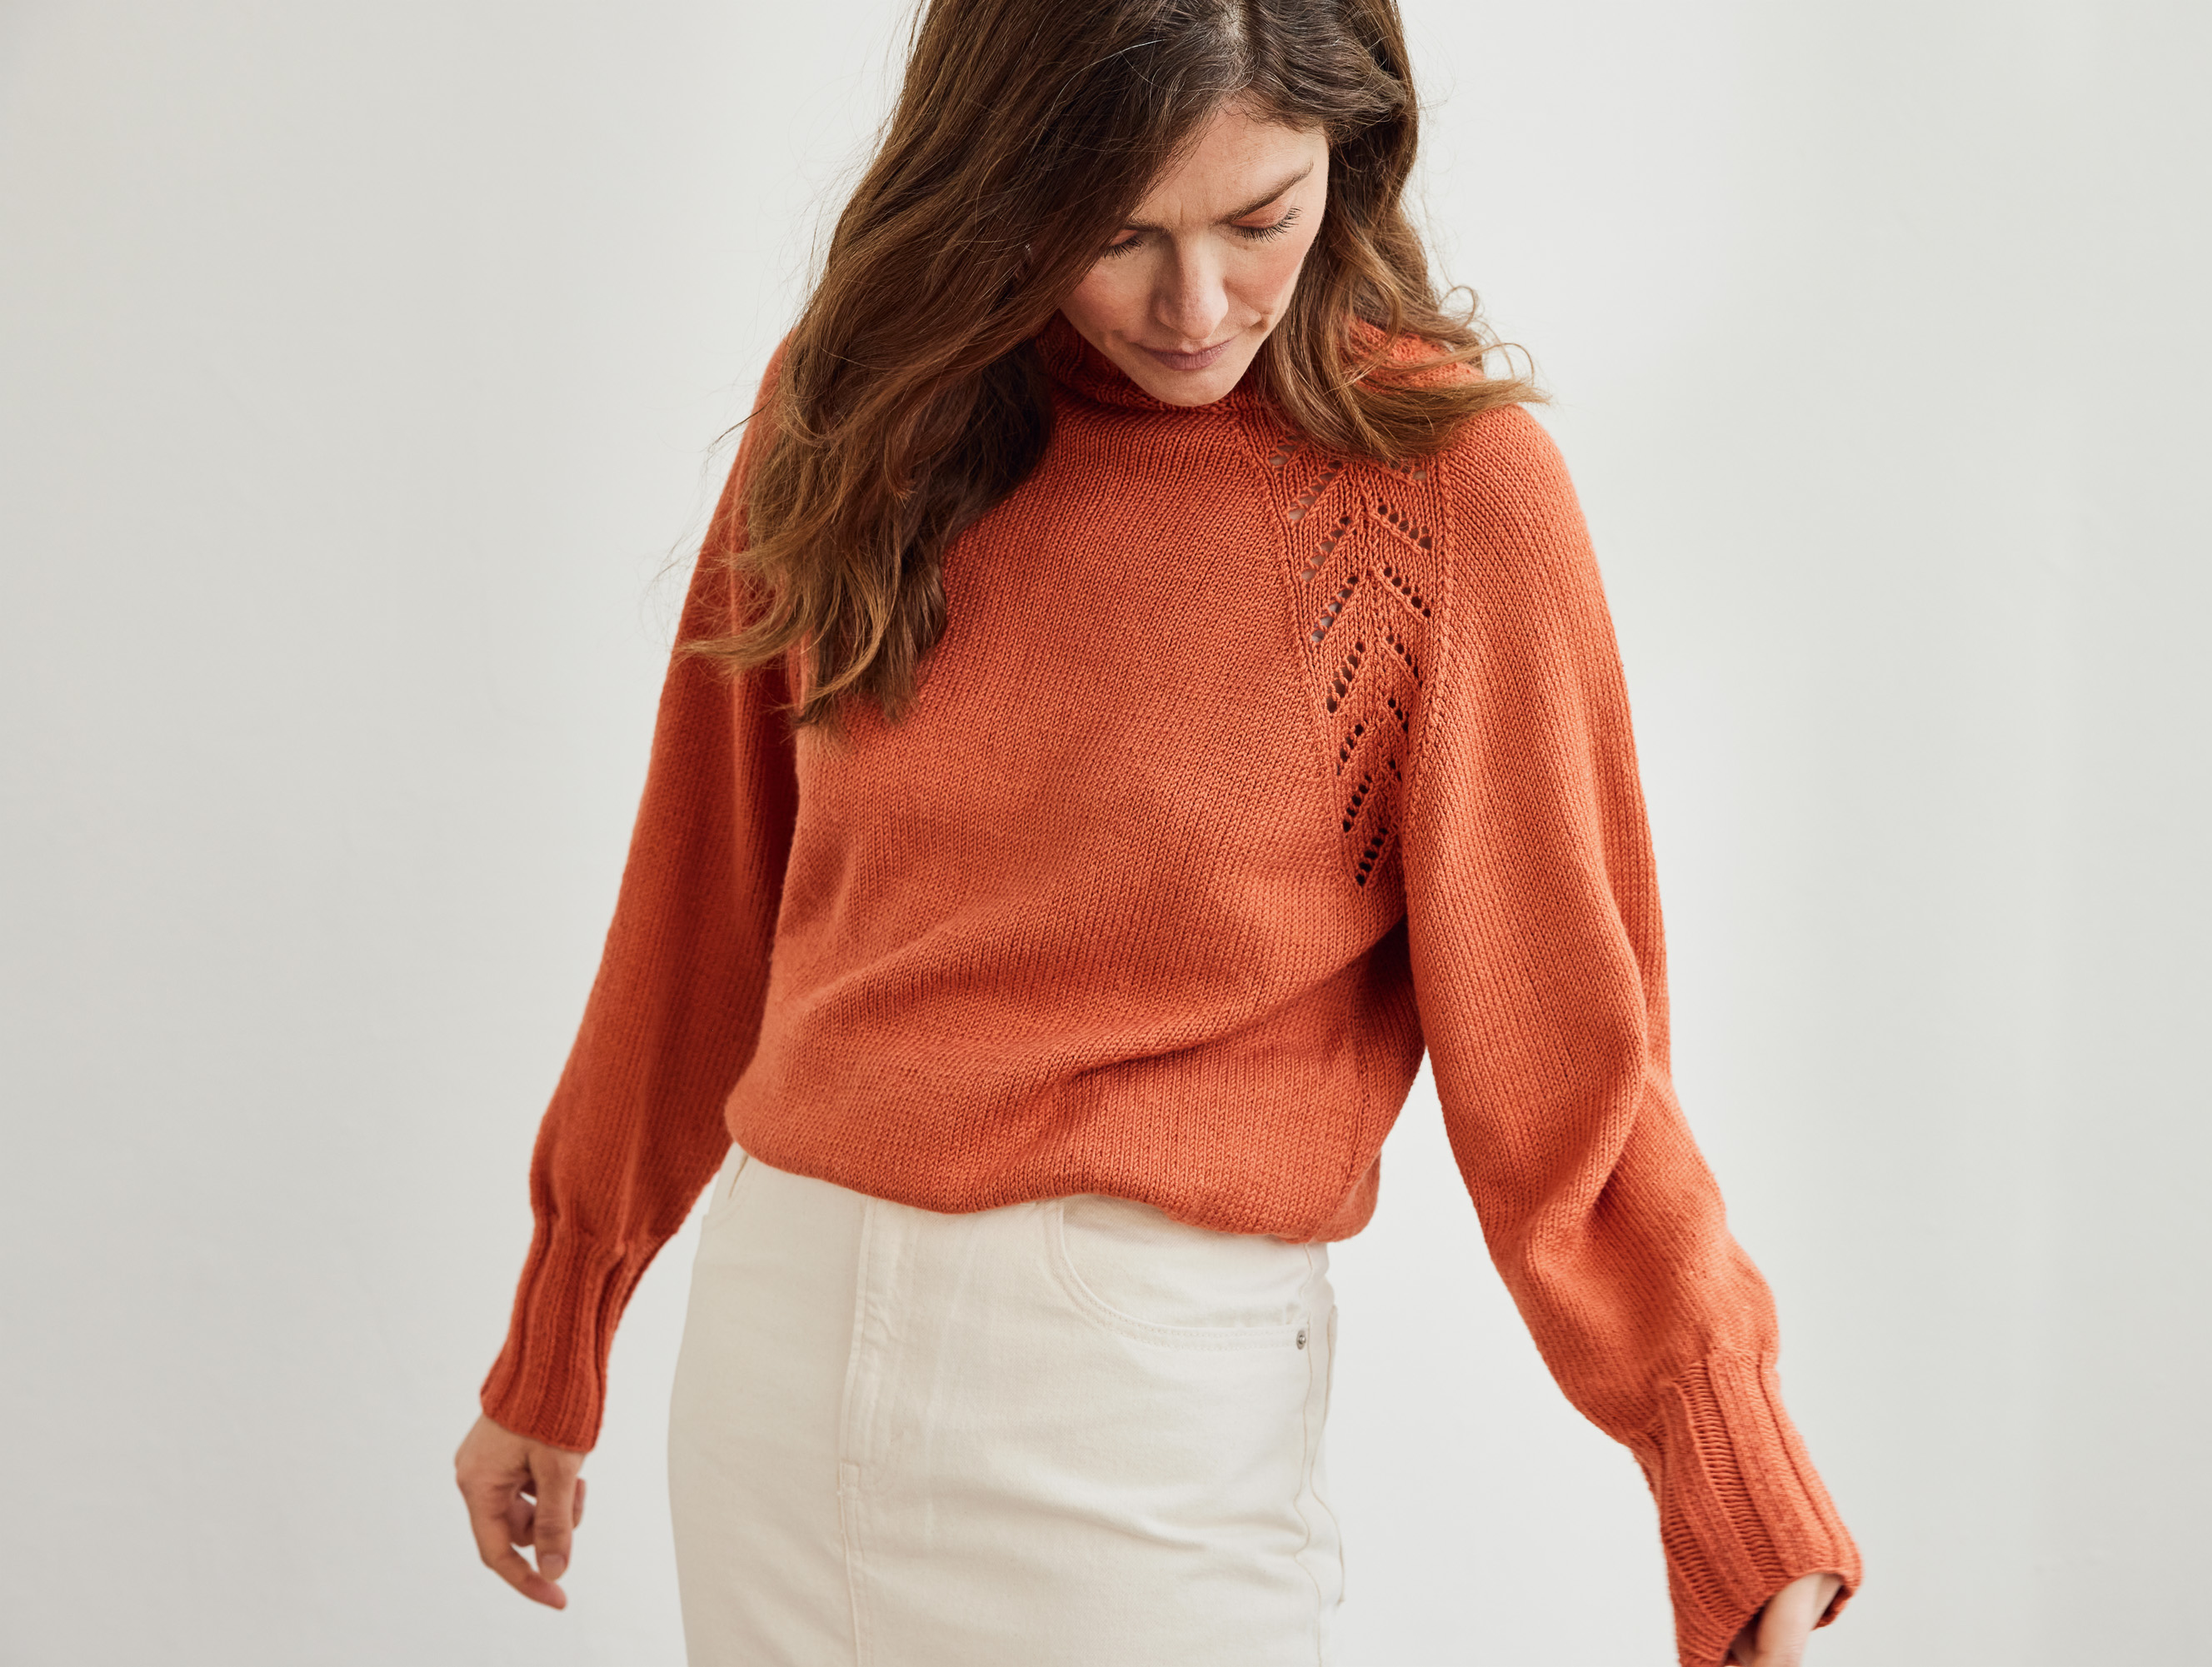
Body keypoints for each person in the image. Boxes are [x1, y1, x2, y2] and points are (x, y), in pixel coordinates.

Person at [452, 0, 1862, 1661]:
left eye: (1259, 219)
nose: (1196, 309)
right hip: (779, 1361)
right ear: (1004, 180)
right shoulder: (858, 409)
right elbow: (703, 898)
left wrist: (1724, 1469)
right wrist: (563, 1315)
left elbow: (1575, 1070)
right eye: (1115, 233)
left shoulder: (1446, 499)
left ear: (1350, 152)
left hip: (1136, 1418)